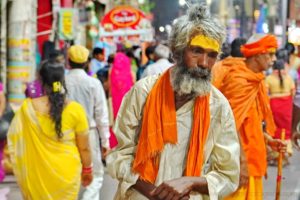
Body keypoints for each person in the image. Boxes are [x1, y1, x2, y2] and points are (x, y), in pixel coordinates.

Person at [106, 4, 240, 199]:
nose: (204, 63)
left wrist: (191, 181)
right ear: (178, 51)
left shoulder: (218, 106)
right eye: (196, 51)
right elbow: (119, 155)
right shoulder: (143, 93)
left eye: (211, 55)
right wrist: (154, 193)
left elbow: (228, 174)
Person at [214, 34, 287, 200]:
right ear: (258, 54)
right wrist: (241, 162)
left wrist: (268, 140)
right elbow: (229, 125)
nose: (273, 59)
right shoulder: (239, 80)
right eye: (270, 54)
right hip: (238, 164)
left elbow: (250, 120)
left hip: (252, 161)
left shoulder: (255, 80)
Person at [7, 60, 92, 199]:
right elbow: (84, 147)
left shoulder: (27, 108)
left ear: (40, 81)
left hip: (38, 175)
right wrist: (88, 169)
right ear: (62, 80)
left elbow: (17, 139)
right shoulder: (75, 109)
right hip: (67, 172)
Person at [65, 45, 110, 200]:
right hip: (88, 132)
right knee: (95, 173)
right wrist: (105, 142)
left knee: (68, 172)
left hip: (65, 134)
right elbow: (101, 115)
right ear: (86, 62)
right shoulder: (93, 83)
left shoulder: (59, 82)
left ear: (68, 61)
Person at [265, 50, 295, 165]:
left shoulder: (269, 79)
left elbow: (266, 93)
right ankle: (285, 152)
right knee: (285, 128)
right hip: (286, 106)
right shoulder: (288, 78)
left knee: (275, 128)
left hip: (274, 106)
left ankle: (276, 153)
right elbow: (292, 93)